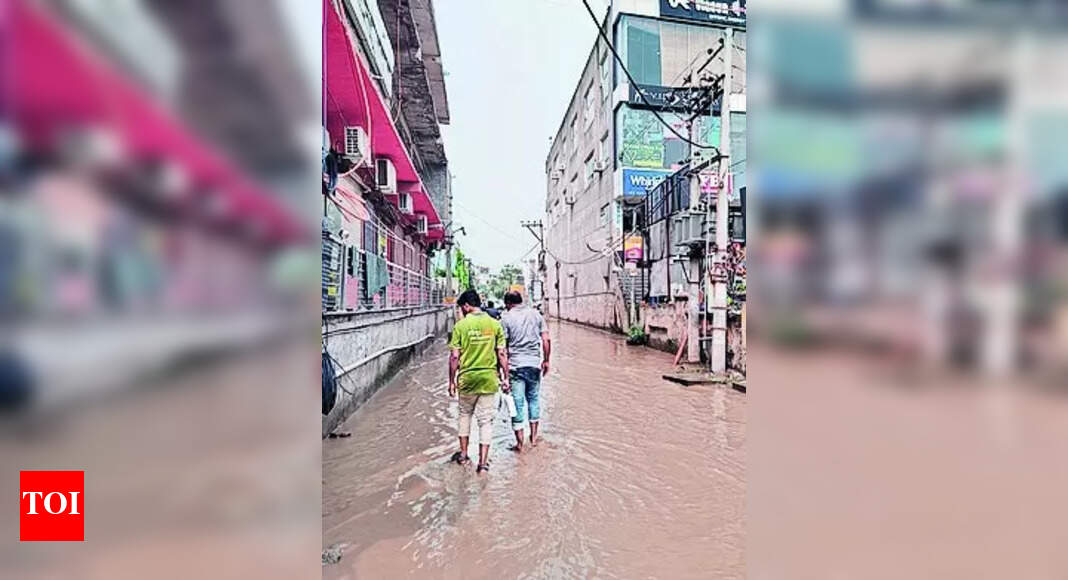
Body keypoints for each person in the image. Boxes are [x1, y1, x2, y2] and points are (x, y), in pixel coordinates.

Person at [448, 289, 510, 474]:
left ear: (467, 306)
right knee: (485, 421)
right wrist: (506, 377)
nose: (461, 311)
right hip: (488, 379)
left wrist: (451, 381)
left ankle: (464, 456)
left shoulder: (460, 326)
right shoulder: (494, 324)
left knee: (464, 415)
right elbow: (502, 353)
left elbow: (454, 357)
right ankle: (482, 464)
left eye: (462, 307)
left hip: (467, 379)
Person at [500, 290, 550, 452]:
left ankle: (520, 444)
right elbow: (546, 340)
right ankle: (534, 438)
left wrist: (503, 374)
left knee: (517, 404)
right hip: (534, 365)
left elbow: (502, 349)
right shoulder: (536, 314)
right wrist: (546, 360)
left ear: (508, 304)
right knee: (534, 400)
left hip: (516, 366)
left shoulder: (506, 318)